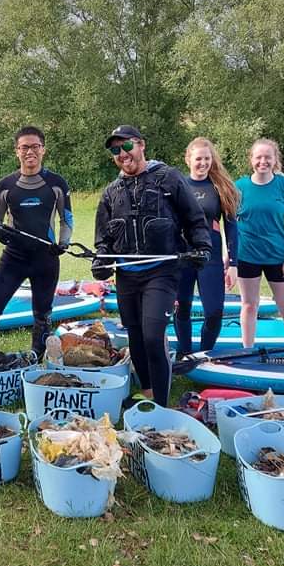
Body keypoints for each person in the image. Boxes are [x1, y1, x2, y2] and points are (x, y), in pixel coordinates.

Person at [92, 125, 211, 407]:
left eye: (127, 146)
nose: (122, 154)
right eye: (115, 150)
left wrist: (202, 247)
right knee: (134, 336)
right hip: (127, 275)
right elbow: (104, 238)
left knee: (152, 336)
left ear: (141, 145)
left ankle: (160, 404)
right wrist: (101, 260)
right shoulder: (111, 193)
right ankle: (146, 391)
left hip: (162, 271)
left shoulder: (168, 179)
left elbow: (194, 218)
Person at [0, 126, 73, 358]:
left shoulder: (57, 183)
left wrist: (63, 243)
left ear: (43, 150)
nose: (29, 152)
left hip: (46, 258)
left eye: (34, 147)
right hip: (14, 257)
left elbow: (66, 218)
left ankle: (36, 356)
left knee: (42, 314)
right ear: (17, 151)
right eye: (24, 147)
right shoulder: (5, 185)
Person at [235, 138, 284, 348]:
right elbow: (230, 223)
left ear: (275, 160)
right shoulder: (239, 186)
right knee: (249, 305)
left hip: (278, 256)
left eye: (267, 157)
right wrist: (228, 256)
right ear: (251, 160)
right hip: (246, 255)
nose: (262, 161)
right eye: (258, 157)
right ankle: (247, 349)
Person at [174, 138, 239, 356]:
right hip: (182, 256)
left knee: (214, 312)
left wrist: (233, 263)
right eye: (198, 158)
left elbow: (231, 228)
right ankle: (184, 353)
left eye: (207, 158)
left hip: (209, 257)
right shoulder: (177, 186)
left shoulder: (220, 188)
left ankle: (204, 354)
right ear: (188, 159)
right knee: (181, 307)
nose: (203, 163)